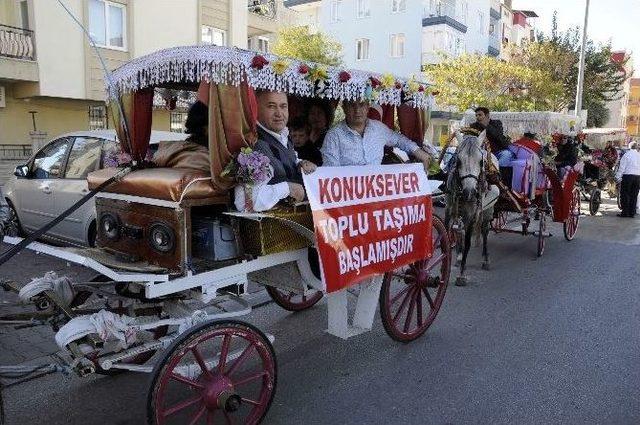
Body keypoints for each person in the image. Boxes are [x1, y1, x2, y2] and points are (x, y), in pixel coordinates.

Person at [236, 90, 317, 211]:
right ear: (256, 109)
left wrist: (300, 163)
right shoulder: (253, 145)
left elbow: (284, 159)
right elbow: (245, 203)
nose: (279, 113)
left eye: (283, 106)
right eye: (271, 106)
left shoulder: (283, 135)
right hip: (268, 227)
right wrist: (286, 188)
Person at [321, 99, 435, 172]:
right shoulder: (333, 136)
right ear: (344, 108)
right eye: (352, 105)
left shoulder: (379, 128)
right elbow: (331, 173)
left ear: (367, 107)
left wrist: (418, 152)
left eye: (361, 105)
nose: (357, 110)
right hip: (349, 198)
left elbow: (399, 140)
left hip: (377, 194)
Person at [615, 141, 640, 218]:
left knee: (625, 194)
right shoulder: (639, 155)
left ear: (629, 147)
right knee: (634, 195)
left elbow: (622, 167)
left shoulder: (626, 155)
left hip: (627, 177)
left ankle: (625, 212)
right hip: (637, 177)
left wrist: (618, 177)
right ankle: (632, 212)